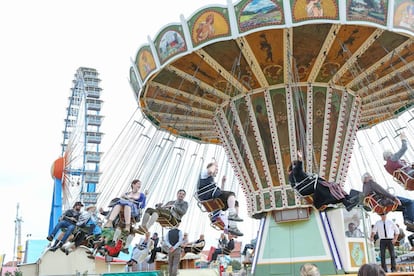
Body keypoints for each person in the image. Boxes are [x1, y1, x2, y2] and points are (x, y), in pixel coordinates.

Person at [289, 151, 358, 211]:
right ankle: (347, 200)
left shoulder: (295, 176)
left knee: (332, 185)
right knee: (329, 185)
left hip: (306, 187)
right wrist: (300, 159)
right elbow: (298, 168)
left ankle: (347, 199)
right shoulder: (294, 173)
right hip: (305, 188)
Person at [197, 162, 243, 236]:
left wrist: (223, 182)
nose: (217, 171)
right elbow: (210, 171)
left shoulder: (211, 180)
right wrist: (214, 166)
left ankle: (233, 225)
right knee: (231, 194)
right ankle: (231, 215)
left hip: (213, 196)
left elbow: (220, 193)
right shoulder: (204, 173)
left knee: (235, 202)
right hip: (207, 195)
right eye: (216, 170)